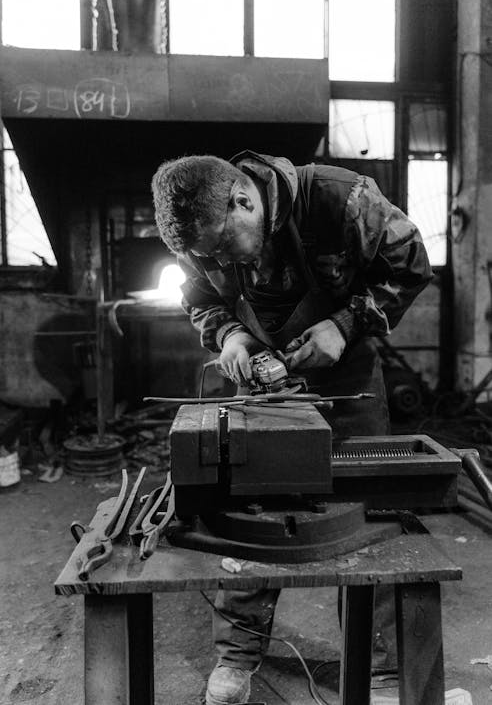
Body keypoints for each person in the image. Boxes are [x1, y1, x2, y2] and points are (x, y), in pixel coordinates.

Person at [151, 151, 433, 705]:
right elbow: (201, 300)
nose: (222, 262)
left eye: (224, 247)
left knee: (366, 517)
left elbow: (412, 266)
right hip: (262, 381)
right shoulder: (198, 239)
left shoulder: (340, 200)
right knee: (249, 512)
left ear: (243, 201)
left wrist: (345, 325)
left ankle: (380, 670)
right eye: (208, 256)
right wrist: (230, 335)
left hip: (346, 374)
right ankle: (238, 653)